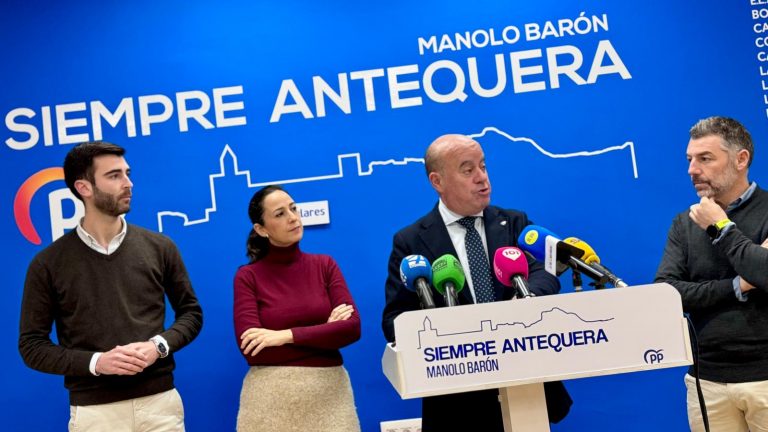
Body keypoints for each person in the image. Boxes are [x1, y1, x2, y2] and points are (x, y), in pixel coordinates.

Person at [382, 134, 572, 432]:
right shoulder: (410, 241)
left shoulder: (514, 223)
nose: (482, 178)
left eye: (483, 166)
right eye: (468, 170)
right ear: (438, 181)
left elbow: (545, 273)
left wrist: (521, 301)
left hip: (525, 385)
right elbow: (395, 320)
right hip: (457, 400)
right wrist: (446, 328)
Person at [18, 141, 203, 431]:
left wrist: (159, 346)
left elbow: (191, 314)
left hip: (160, 405)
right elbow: (32, 346)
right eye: (114, 176)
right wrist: (96, 362)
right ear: (84, 188)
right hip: (95, 413)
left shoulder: (160, 247)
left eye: (127, 173)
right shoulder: (47, 264)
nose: (128, 183)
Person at [655, 116, 768, 432]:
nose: (692, 169)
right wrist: (739, 283)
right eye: (690, 159)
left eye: (705, 158)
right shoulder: (685, 223)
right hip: (707, 382)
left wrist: (721, 227)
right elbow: (666, 294)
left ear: (741, 159)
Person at [233, 185, 362, 432]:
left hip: (330, 399)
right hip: (269, 403)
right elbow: (253, 350)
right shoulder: (247, 277)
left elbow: (351, 329)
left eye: (293, 209)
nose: (293, 218)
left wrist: (282, 336)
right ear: (261, 229)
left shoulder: (325, 265)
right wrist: (325, 332)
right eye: (280, 214)